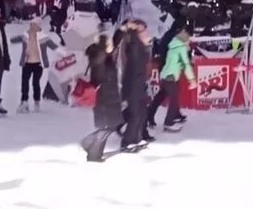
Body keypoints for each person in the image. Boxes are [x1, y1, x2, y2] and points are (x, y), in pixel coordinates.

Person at [81, 32, 127, 162]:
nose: (113, 46)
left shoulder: (102, 56)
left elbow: (115, 42)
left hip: (109, 98)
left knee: (109, 126)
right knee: (106, 127)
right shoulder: (100, 60)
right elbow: (102, 80)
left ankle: (89, 145)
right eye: (109, 44)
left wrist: (122, 30)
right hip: (105, 100)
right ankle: (93, 153)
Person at [118, 20, 154, 151]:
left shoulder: (140, 46)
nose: (148, 33)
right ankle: (127, 142)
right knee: (135, 115)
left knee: (141, 114)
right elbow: (131, 69)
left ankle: (136, 138)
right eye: (144, 30)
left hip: (139, 85)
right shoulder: (135, 46)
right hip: (133, 85)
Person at [148, 27, 194, 132]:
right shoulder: (178, 44)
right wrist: (192, 79)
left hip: (166, 71)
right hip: (170, 73)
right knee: (173, 97)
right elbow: (185, 62)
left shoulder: (172, 40)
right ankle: (169, 121)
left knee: (163, 95)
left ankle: (151, 115)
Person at [10, 19, 59, 113]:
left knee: (35, 83)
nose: (32, 26)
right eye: (31, 24)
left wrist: (63, 52)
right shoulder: (25, 35)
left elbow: (53, 46)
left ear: (38, 26)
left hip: (38, 64)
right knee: (24, 82)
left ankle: (37, 101)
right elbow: (13, 40)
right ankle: (24, 101)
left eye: (34, 25)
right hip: (27, 63)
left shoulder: (43, 37)